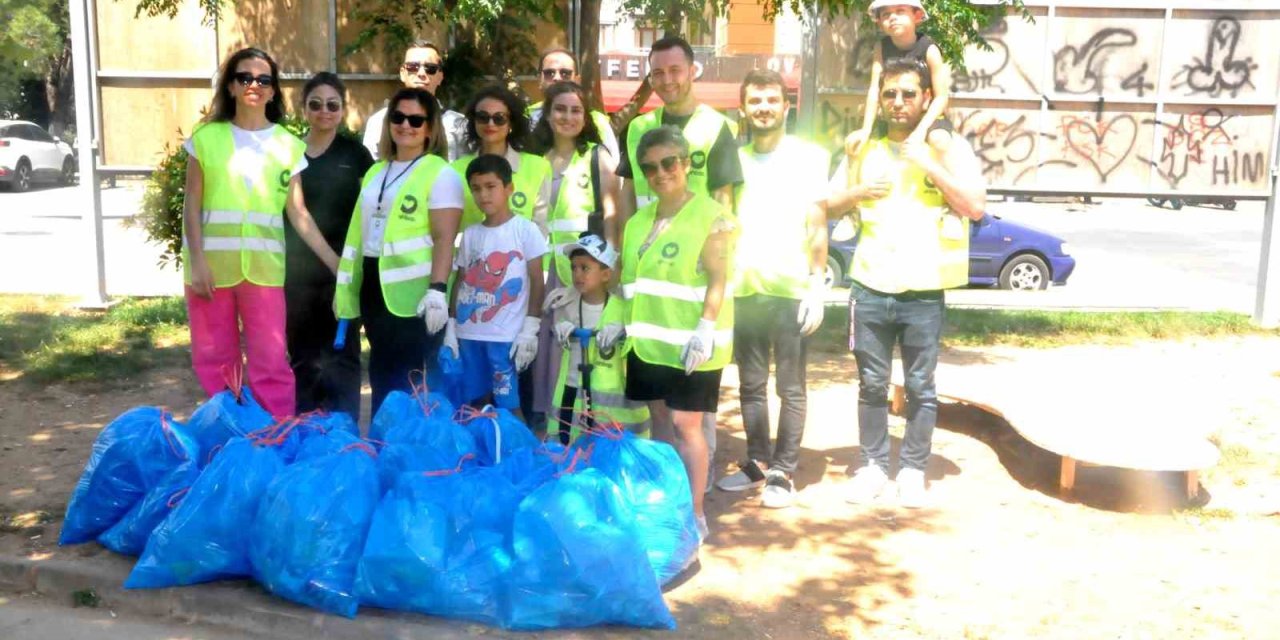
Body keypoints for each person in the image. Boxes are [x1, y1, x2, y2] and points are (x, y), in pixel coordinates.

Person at [828, 59, 986, 508]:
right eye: (890, 94)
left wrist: (929, 165)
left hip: (924, 290)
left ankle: (913, 469)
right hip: (869, 287)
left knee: (920, 385)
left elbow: (976, 207)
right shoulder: (862, 148)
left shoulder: (946, 147)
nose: (898, 102)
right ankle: (874, 466)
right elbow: (828, 205)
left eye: (909, 94)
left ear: (926, 99)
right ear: (880, 101)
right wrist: (857, 192)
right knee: (871, 384)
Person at [181, 47, 339, 419]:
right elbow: (191, 206)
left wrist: (336, 262)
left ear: (273, 90)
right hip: (211, 271)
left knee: (270, 359)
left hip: (265, 271)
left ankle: (274, 434)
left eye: (263, 79)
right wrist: (198, 262)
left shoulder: (288, 145)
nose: (254, 85)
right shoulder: (205, 139)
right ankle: (227, 430)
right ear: (231, 87)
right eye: (245, 78)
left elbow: (298, 212)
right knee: (216, 358)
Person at [616, 35, 743, 490]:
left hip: (695, 269)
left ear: (692, 71)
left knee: (693, 404)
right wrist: (626, 247)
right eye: (658, 72)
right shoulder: (638, 128)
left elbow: (724, 199)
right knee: (658, 400)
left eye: (675, 70)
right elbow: (627, 192)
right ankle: (668, 489)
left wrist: (720, 261)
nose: (667, 80)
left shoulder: (716, 126)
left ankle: (696, 490)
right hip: (650, 263)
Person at [609, 125, 736, 539]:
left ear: (685, 164)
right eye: (650, 167)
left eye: (668, 163)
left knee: (686, 425)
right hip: (649, 344)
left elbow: (718, 278)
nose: (660, 173)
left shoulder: (712, 217)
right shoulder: (636, 222)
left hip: (691, 345)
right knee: (660, 422)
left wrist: (705, 328)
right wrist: (613, 319)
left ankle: (694, 513)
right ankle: (668, 501)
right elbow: (627, 282)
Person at [713, 69, 830, 509]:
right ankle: (758, 462)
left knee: (791, 387)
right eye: (755, 101)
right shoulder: (734, 160)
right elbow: (723, 221)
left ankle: (783, 469)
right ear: (743, 108)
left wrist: (817, 284)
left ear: (786, 106)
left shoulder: (810, 157)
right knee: (751, 384)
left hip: (791, 288)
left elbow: (818, 224)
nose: (763, 108)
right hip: (745, 287)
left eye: (771, 100)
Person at [334, 87, 464, 418]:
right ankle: (383, 436)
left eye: (416, 120)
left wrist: (437, 291)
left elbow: (445, 237)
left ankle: (411, 441)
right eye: (398, 117)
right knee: (381, 369)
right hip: (375, 285)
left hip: (416, 294)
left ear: (430, 129)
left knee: (410, 377)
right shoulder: (376, 171)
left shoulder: (440, 173)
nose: (406, 125)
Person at [286, 72, 373, 418]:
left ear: (343, 110)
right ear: (303, 108)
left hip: (346, 273)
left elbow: (371, 209)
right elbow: (294, 210)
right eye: (316, 104)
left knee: (343, 356)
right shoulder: (289, 152)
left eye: (333, 105)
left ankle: (343, 431)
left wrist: (349, 267)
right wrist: (333, 262)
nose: (325, 111)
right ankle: (305, 431)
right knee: (303, 357)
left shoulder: (356, 154)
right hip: (299, 272)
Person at [445, 154, 548, 420]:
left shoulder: (525, 230)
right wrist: (451, 325)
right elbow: (461, 280)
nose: (483, 195)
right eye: (476, 188)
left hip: (505, 336)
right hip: (469, 333)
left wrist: (531, 327)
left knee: (508, 404)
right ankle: (479, 445)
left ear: (509, 188)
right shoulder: (470, 234)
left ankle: (519, 446)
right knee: (474, 403)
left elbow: (537, 280)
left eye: (491, 186)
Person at [547, 233, 649, 444]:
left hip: (611, 402)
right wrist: (561, 326)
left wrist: (624, 329)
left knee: (608, 448)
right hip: (572, 391)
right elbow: (558, 331)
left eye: (585, 268)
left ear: (605, 274)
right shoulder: (568, 305)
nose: (577, 274)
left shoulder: (621, 309)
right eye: (574, 267)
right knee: (570, 447)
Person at [844, 0, 953, 153]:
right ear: (879, 22)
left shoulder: (929, 49)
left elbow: (941, 97)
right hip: (896, 115)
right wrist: (866, 129)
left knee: (939, 141)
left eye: (900, 11)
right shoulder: (881, 47)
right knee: (857, 143)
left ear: (917, 16)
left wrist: (920, 131)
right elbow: (875, 89)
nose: (893, 17)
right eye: (886, 14)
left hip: (927, 116)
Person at [452, 85, 552, 232]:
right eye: (483, 117)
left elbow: (540, 228)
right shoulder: (454, 171)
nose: (490, 124)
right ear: (474, 121)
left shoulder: (538, 167)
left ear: (511, 123)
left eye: (499, 118)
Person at [362, 39, 467, 161]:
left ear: (440, 76)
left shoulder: (458, 124)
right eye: (412, 67)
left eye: (430, 68)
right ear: (402, 73)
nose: (421, 73)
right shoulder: (378, 121)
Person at [526, 48, 619, 160]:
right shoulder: (525, 117)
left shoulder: (598, 121)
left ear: (577, 80)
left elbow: (613, 164)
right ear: (539, 79)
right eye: (549, 73)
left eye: (565, 73)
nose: (557, 78)